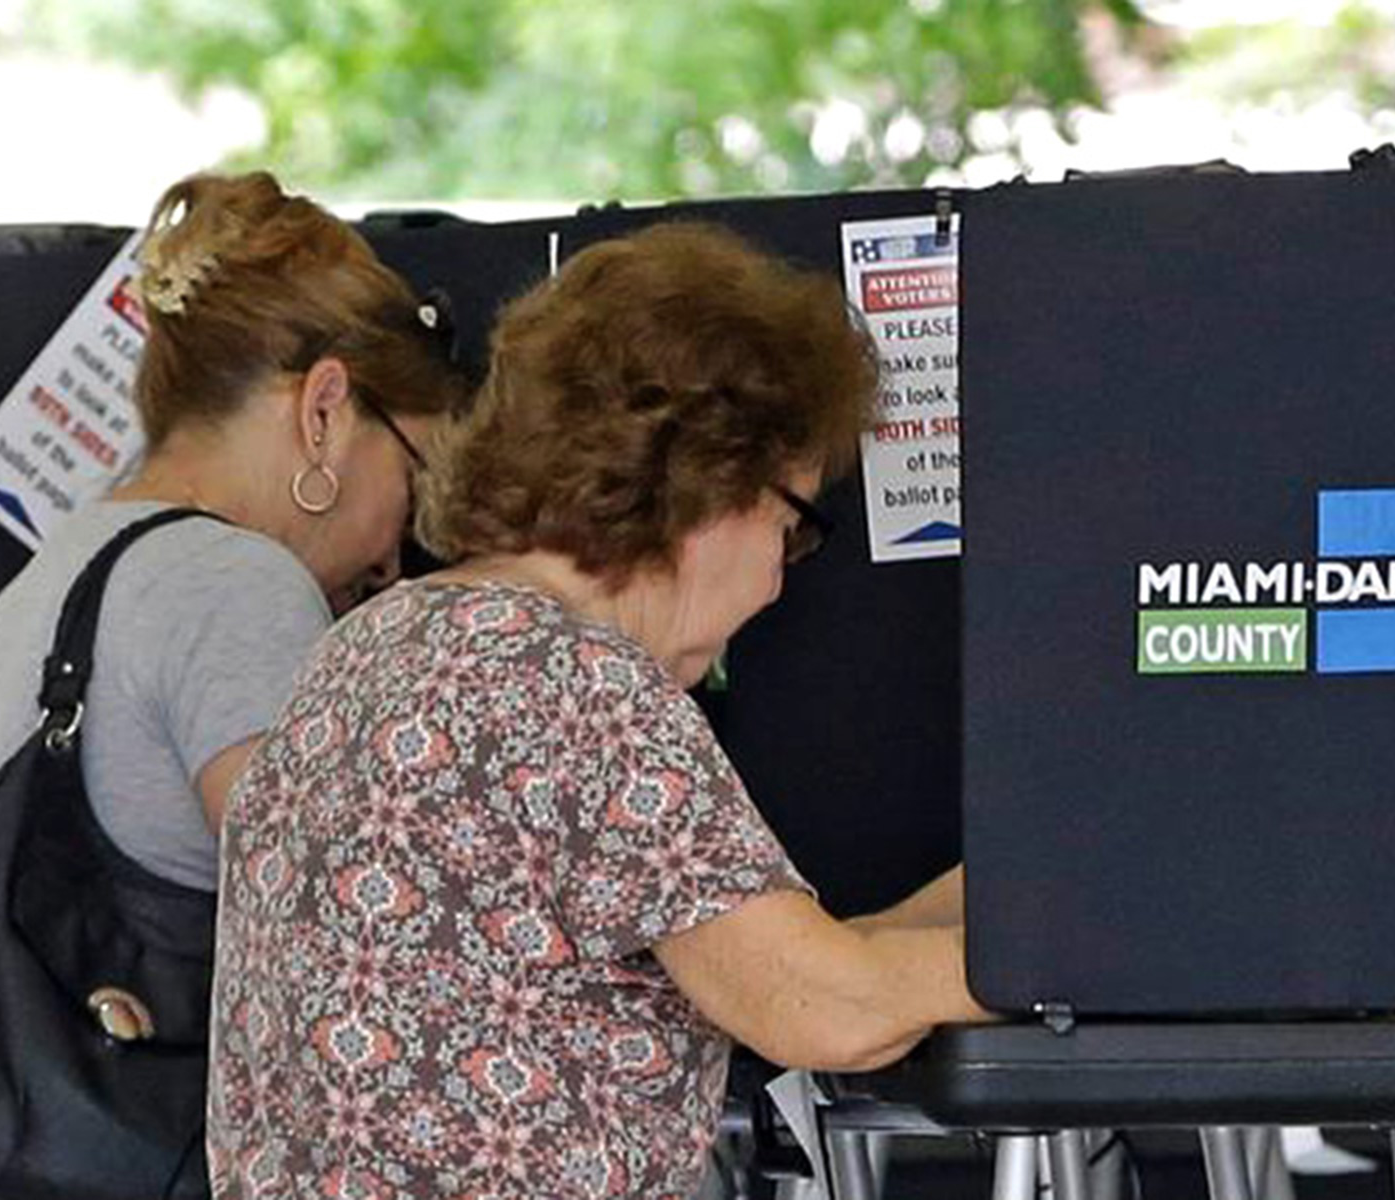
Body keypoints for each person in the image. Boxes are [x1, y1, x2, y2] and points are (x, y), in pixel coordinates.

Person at [207, 221, 986, 1200]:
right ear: (716, 483)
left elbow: (786, 959)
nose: (777, 584)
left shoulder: (381, 642)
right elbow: (821, 1007)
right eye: (792, 528)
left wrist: (1012, 905)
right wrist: (1098, 963)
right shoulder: (576, 689)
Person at [0, 170, 469, 890]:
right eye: (414, 480)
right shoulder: (234, 583)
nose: (393, 561)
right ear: (325, 410)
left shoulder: (58, 570)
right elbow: (340, 920)